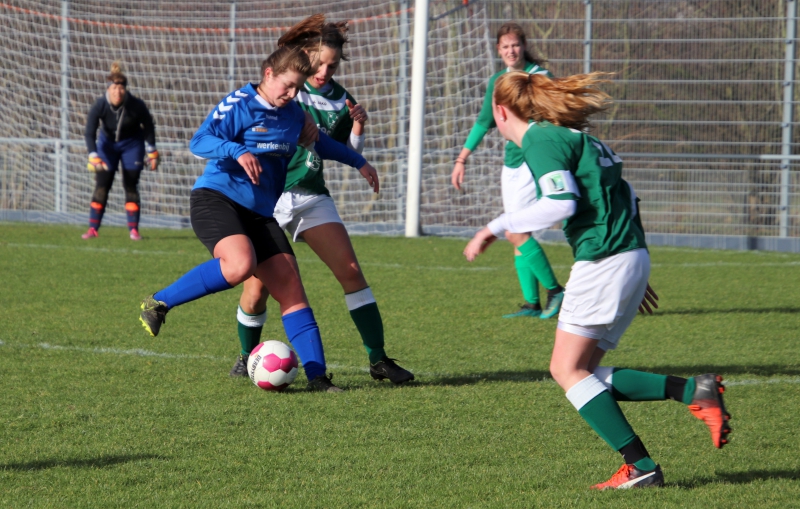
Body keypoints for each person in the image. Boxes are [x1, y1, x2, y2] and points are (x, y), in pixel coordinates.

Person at [464, 71, 732, 489]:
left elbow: (561, 203)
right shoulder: (581, 140)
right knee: (584, 371)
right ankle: (693, 392)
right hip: (628, 255)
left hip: (605, 259)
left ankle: (641, 465)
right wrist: (634, 264)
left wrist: (494, 227)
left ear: (500, 111)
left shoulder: (540, 140)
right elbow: (627, 195)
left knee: (565, 369)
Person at [139, 45, 379, 393]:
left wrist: (359, 162)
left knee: (291, 288)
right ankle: (158, 302)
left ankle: (318, 378)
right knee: (240, 264)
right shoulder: (240, 104)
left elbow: (319, 144)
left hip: (260, 213)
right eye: (288, 85)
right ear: (268, 74)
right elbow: (200, 141)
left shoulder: (293, 113)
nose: (292, 93)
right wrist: (237, 150)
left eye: (298, 88)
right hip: (216, 199)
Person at [228, 14, 414, 385]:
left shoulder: (341, 99)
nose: (325, 71)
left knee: (351, 271)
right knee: (257, 288)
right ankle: (247, 356)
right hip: (269, 199)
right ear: (306, 57)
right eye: (320, 63)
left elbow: (344, 149)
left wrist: (358, 128)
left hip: (311, 194)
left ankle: (378, 359)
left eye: (333, 65)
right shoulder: (287, 87)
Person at [452, 23, 564, 319]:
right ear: (498, 50)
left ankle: (555, 291)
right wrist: (462, 159)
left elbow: (557, 117)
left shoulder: (540, 77)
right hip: (511, 162)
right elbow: (483, 122)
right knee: (517, 232)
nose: (511, 50)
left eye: (515, 45)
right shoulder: (498, 81)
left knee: (517, 230)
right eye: (505, 46)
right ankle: (531, 303)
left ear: (523, 46)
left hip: (533, 161)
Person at [82, 62, 159, 241]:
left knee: (131, 184)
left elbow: (148, 126)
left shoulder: (136, 105)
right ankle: (93, 229)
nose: (118, 92)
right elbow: (89, 132)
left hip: (132, 145)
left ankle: (134, 230)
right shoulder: (100, 105)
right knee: (102, 185)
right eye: (114, 88)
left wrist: (152, 151)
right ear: (108, 89)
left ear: (125, 89)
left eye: (121, 88)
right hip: (107, 146)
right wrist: (93, 155)